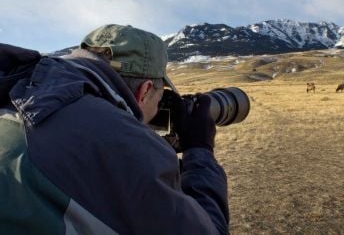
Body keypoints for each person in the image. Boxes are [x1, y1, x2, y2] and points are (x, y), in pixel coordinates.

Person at [0, 24, 229, 234]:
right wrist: (200, 149)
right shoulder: (120, 141)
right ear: (145, 90)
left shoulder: (17, 84)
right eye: (159, 99)